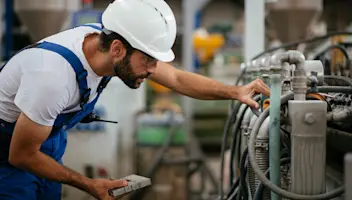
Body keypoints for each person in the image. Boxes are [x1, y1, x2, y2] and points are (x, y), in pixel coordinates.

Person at [0, 0, 270, 200]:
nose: (153, 70)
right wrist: (88, 184)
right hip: (10, 154)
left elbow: (176, 79)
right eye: (148, 60)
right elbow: (21, 154)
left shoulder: (109, 42)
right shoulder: (52, 78)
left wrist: (234, 92)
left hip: (45, 141)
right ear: (117, 49)